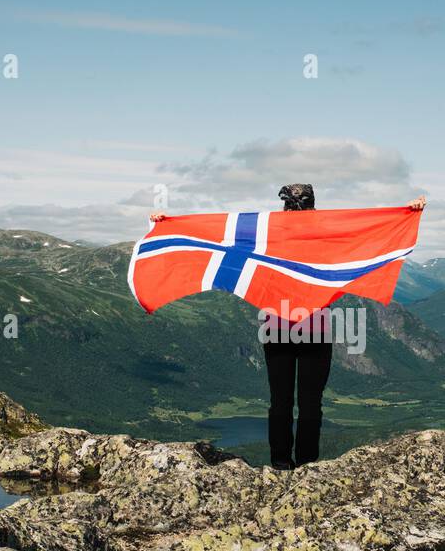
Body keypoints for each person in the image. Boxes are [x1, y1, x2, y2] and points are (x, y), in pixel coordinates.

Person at [150, 185, 425, 469]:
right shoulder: (323, 236)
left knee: (285, 403)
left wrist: (408, 212)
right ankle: (303, 464)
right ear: (313, 207)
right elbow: (368, 236)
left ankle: (284, 464)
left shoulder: (272, 236)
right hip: (309, 331)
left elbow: (216, 238)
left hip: (282, 329)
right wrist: (165, 225)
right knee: (305, 405)